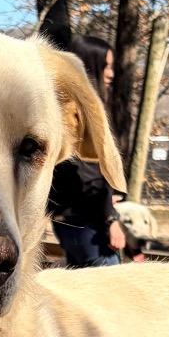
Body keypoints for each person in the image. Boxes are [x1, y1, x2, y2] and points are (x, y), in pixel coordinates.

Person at [48, 35, 127, 267]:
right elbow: (89, 170)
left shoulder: (59, 105)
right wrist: (110, 218)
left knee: (81, 287)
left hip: (65, 220)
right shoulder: (81, 110)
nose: (111, 74)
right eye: (106, 66)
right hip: (88, 224)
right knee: (111, 292)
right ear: (90, 65)